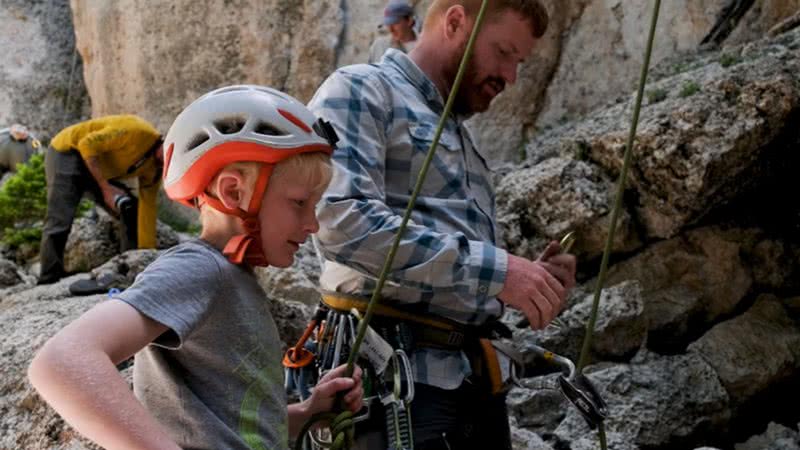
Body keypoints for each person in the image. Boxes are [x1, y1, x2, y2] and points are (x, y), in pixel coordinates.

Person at [28, 85, 363, 450]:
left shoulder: (235, 279)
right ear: (233, 192)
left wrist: (306, 412)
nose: (312, 224)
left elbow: (229, 423)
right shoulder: (200, 270)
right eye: (300, 202)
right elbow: (62, 362)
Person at [309, 1, 575, 449]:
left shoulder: (460, 135)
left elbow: (450, 269)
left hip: (471, 383)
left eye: (519, 63)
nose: (510, 77)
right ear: (455, 23)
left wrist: (529, 279)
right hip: (392, 382)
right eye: (504, 52)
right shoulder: (359, 89)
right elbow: (340, 221)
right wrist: (500, 273)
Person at [37, 114, 164, 285]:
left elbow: (147, 210)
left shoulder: (155, 169)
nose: (168, 161)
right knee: (60, 218)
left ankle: (129, 265)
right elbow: (86, 144)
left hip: (95, 168)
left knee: (130, 208)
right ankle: (48, 276)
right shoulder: (137, 131)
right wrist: (106, 189)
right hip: (67, 152)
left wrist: (147, 256)